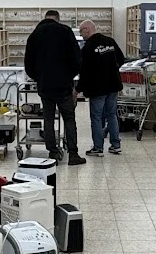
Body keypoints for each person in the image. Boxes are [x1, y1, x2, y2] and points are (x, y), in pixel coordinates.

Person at [22, 9, 85, 165]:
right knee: (69, 119)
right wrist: (70, 76)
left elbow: (28, 64)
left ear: (45, 19)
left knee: (48, 119)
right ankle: (73, 154)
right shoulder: (66, 31)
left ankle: (53, 152)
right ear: (57, 19)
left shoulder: (35, 35)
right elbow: (77, 59)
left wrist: (39, 78)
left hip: (45, 86)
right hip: (63, 85)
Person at [76, 19, 125, 156]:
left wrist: (77, 89)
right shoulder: (110, 41)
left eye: (81, 31)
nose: (81, 35)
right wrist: (112, 71)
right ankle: (116, 145)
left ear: (87, 29)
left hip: (98, 88)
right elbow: (121, 58)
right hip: (113, 85)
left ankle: (98, 148)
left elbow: (84, 72)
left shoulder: (87, 47)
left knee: (96, 117)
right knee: (112, 115)